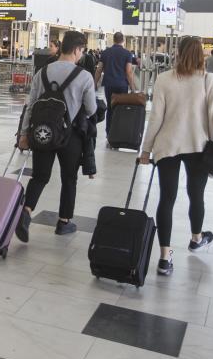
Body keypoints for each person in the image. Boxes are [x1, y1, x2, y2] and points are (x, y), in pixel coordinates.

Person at [139, 36, 213, 276]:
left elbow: (155, 118)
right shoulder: (210, 81)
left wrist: (146, 150)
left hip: (167, 146)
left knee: (166, 199)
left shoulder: (164, 79)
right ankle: (196, 238)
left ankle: (164, 257)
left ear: (178, 53)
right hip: (199, 148)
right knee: (196, 196)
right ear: (201, 56)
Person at [15, 31, 97, 241]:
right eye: (82, 50)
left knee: (40, 176)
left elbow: (30, 106)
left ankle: (25, 213)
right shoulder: (84, 76)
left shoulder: (41, 72)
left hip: (43, 132)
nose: (81, 54)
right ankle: (64, 222)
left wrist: (23, 134)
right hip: (71, 136)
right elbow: (91, 109)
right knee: (69, 178)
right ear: (77, 49)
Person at [95, 32, 137, 138]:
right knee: (121, 109)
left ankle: (109, 133)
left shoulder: (105, 53)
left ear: (113, 40)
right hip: (122, 85)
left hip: (109, 85)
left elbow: (99, 69)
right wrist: (132, 88)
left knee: (110, 108)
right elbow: (128, 72)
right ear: (123, 41)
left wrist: (94, 83)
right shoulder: (127, 53)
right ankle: (118, 133)